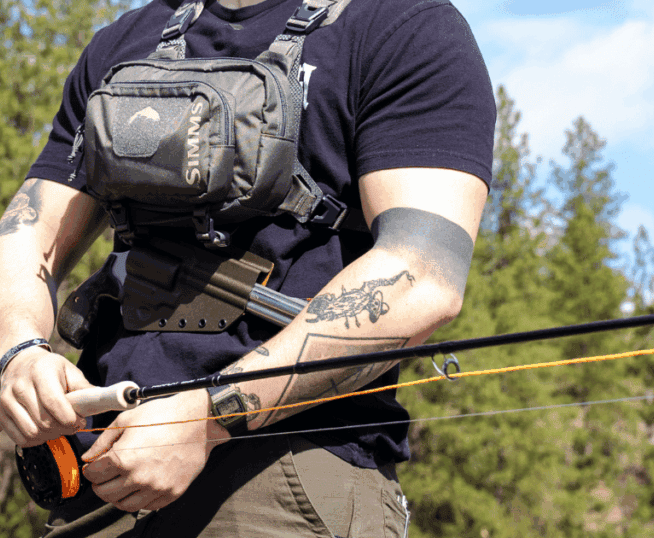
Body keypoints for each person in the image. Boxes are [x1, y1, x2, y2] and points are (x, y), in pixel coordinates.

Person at [0, 0, 495, 535]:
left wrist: (211, 415)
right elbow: (27, 235)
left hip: (289, 472)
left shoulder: (403, 27)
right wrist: (18, 353)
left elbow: (423, 274)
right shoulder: (125, 41)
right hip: (103, 473)